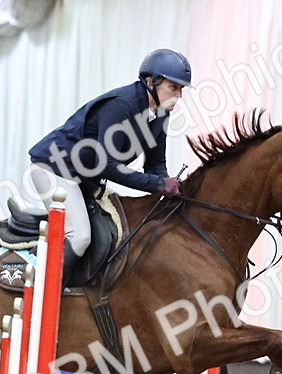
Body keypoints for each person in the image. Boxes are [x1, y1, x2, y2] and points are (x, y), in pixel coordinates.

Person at [28, 48, 191, 280]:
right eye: (173, 87)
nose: (179, 95)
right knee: (80, 236)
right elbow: (107, 165)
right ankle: (43, 292)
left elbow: (155, 164)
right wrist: (158, 185)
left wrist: (166, 187)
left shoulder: (161, 115)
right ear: (150, 81)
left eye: (181, 89)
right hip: (54, 170)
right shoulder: (122, 105)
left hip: (83, 179)